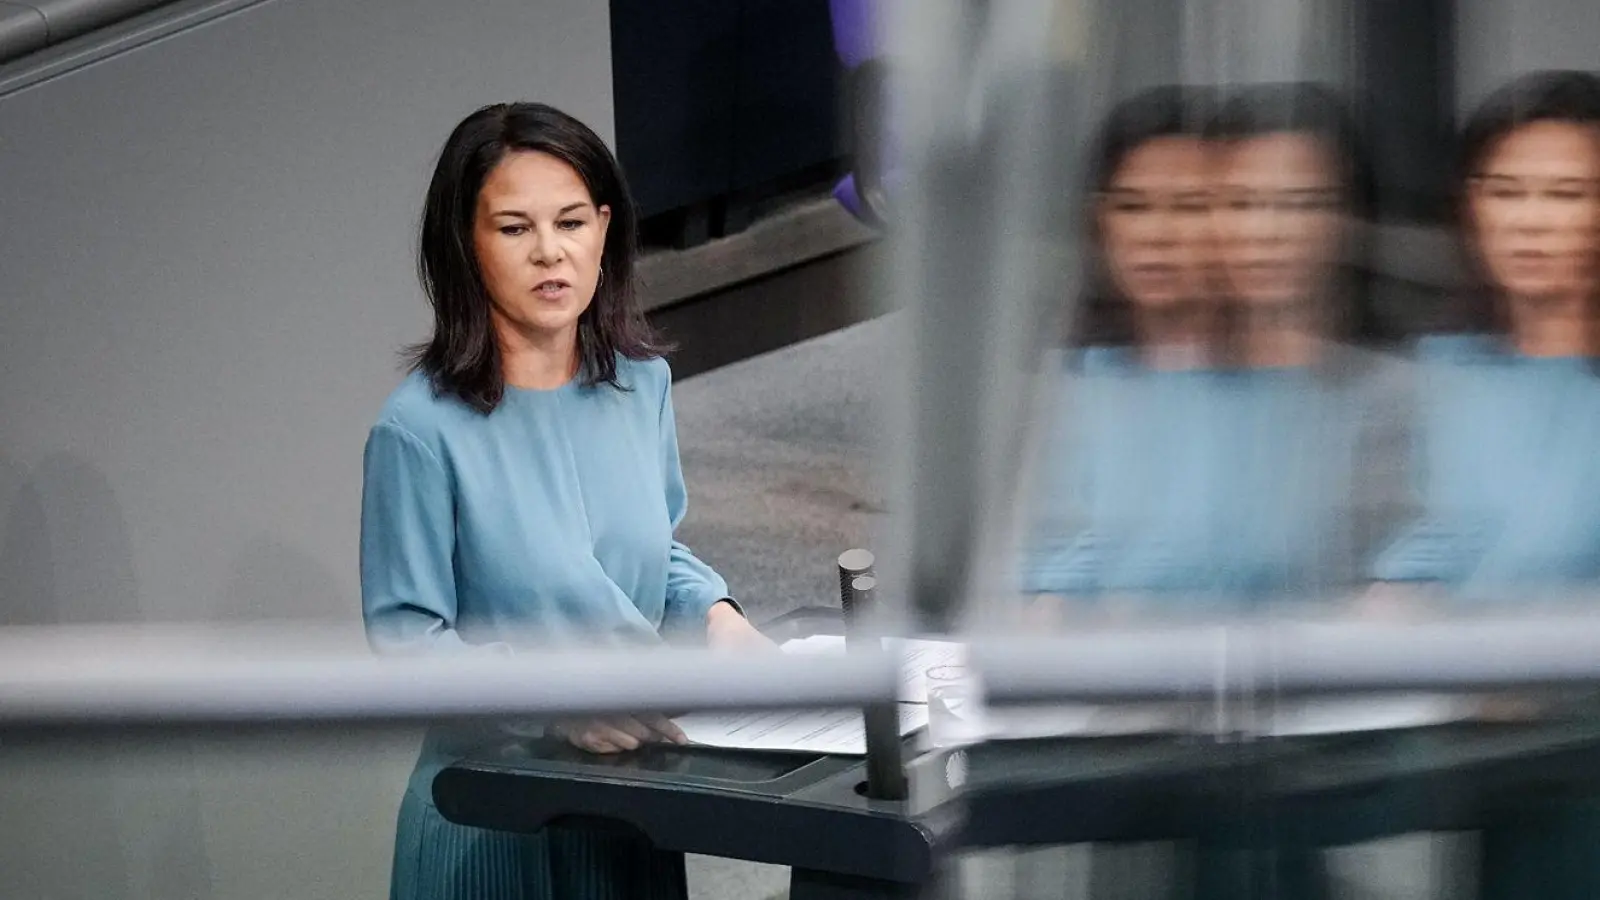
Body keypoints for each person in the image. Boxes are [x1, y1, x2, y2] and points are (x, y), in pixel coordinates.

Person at [360, 102, 772, 900]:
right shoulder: (418, 431)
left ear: (605, 229)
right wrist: (555, 705)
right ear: (465, 245)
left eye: (572, 222)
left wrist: (717, 615)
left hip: (631, 809)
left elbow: (657, 547)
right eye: (514, 229)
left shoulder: (639, 383)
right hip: (493, 819)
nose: (551, 252)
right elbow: (406, 643)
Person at [1366, 69, 1600, 900]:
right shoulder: (1424, 378)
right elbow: (1399, 555)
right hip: (1469, 752)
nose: (1532, 219)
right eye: (1507, 189)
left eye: (1567, 192)